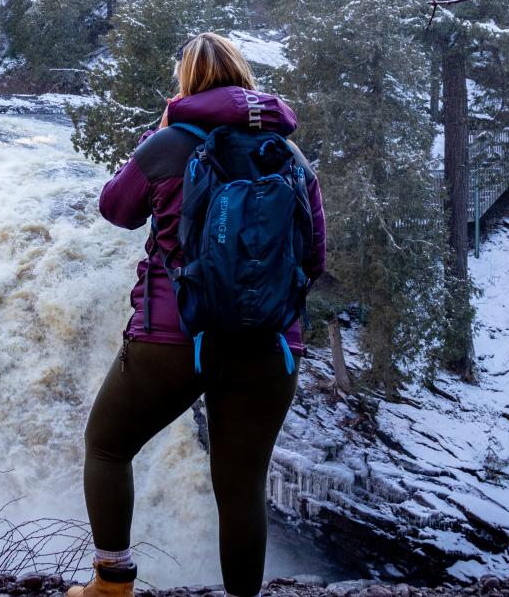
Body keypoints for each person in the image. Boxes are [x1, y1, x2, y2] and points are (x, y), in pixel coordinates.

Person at [68, 32, 327, 597]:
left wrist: (153, 140)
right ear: (245, 79)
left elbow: (116, 208)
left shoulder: (169, 143)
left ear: (184, 83)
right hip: (268, 346)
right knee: (241, 487)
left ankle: (111, 586)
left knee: (108, 447)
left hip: (172, 338)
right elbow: (314, 256)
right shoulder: (291, 155)